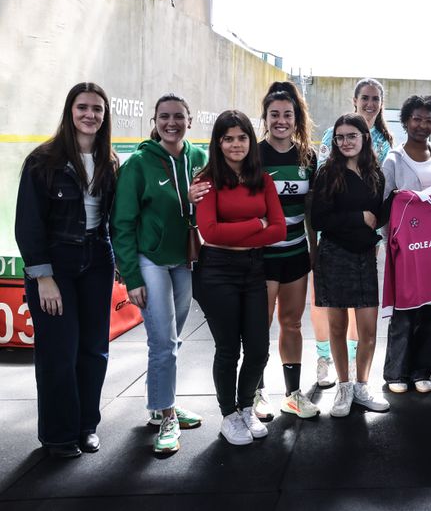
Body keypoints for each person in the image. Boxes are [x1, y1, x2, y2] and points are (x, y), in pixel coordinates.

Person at [15, 82, 117, 458]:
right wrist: (43, 277)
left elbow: (113, 219)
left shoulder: (110, 162)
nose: (90, 115)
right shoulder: (43, 161)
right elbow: (28, 224)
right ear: (70, 112)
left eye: (97, 109)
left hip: (97, 260)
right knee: (59, 352)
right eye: (83, 107)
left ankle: (86, 427)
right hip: (55, 264)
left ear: (105, 116)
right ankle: (58, 436)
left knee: (94, 350)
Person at [112, 94, 206, 453]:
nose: (171, 123)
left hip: (183, 260)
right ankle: (167, 416)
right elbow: (121, 222)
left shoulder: (199, 159)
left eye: (178, 117)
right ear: (154, 120)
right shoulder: (138, 164)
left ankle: (158, 404)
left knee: (170, 340)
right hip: (150, 259)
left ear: (190, 120)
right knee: (164, 342)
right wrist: (131, 277)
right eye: (164, 117)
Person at [194, 110, 286, 446]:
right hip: (216, 271)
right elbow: (209, 231)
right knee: (229, 348)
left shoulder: (263, 179)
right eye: (228, 138)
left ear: (251, 139)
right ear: (218, 142)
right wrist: (255, 225)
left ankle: (246, 406)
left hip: (252, 270)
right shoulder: (206, 180)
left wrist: (238, 233)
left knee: (259, 349)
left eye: (242, 137)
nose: (236, 144)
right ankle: (228, 415)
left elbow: (278, 230)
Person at [311, 113, 389, 417]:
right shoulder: (328, 173)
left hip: (364, 257)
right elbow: (319, 219)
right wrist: (357, 218)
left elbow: (377, 215)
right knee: (338, 327)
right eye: (340, 137)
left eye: (351, 136)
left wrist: (398, 201)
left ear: (364, 138)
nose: (345, 141)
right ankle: (343, 387)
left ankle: (361, 386)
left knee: (368, 330)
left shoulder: (375, 173)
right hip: (334, 255)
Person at [255, 81, 321, 420]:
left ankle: (293, 393)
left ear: (297, 119)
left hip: (296, 254)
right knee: (258, 326)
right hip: (262, 258)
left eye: (288, 115)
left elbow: (309, 207)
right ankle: (255, 391)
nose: (281, 120)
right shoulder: (253, 155)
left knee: (292, 324)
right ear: (265, 118)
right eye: (274, 114)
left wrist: (312, 244)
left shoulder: (306, 157)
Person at [381, 95, 431, 393]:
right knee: (404, 312)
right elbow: (385, 204)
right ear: (406, 121)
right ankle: (395, 373)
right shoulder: (393, 160)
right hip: (406, 250)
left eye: (428, 119)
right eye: (416, 118)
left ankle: (422, 371)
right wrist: (392, 243)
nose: (422, 125)